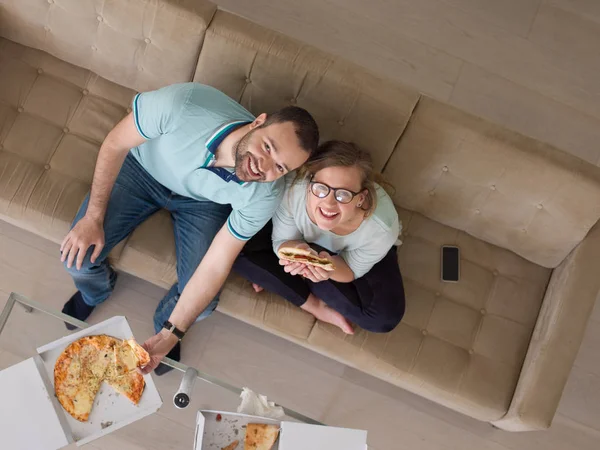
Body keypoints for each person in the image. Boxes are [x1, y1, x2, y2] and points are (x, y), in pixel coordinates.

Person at [59, 82, 319, 374]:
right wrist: (93, 217)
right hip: (141, 171)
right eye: (268, 147)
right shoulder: (183, 105)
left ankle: (162, 326)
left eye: (280, 167)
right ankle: (95, 292)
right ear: (257, 123)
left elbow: (217, 263)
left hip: (203, 202)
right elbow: (115, 144)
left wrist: (172, 333)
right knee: (78, 259)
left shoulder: (266, 193)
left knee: (203, 306)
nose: (264, 167)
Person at [233, 140, 405, 335]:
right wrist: (297, 252)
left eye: (343, 195)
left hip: (346, 257)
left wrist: (326, 267)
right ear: (309, 183)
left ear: (361, 198)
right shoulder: (294, 190)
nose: (329, 203)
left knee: (383, 319)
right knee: (232, 249)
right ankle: (313, 303)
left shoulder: (381, 229)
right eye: (321, 188)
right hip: (305, 244)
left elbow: (350, 270)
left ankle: (275, 276)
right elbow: (281, 242)